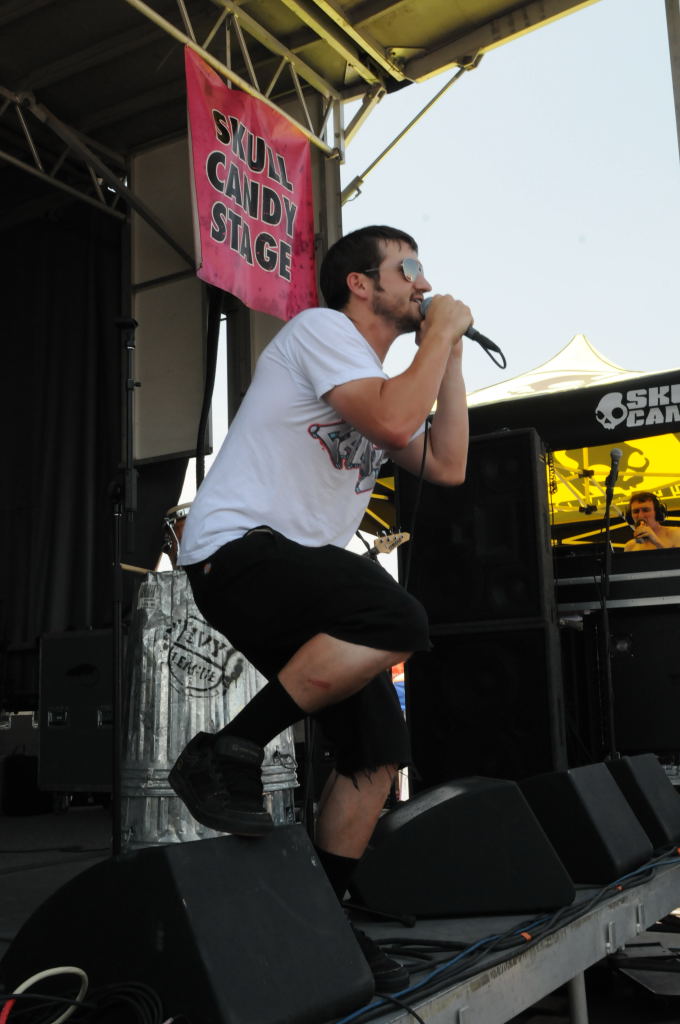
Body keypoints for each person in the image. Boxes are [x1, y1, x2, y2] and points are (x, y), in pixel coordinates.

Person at [170, 225, 471, 991]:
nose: (422, 280)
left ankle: (321, 924)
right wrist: (439, 332)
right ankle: (228, 750)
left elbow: (446, 463)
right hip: (239, 547)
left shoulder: (377, 381)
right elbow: (396, 423)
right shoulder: (322, 331)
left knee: (376, 753)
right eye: (407, 266)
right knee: (397, 618)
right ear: (360, 283)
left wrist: (450, 357)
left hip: (296, 566)